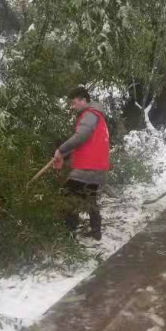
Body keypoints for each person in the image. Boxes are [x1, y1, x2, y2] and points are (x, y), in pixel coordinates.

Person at [53, 87, 110, 240]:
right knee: (90, 198)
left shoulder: (89, 114)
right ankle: (96, 232)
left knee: (68, 197)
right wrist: (63, 155)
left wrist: (60, 150)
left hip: (86, 167)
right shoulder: (98, 116)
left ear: (84, 100)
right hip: (98, 168)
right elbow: (85, 143)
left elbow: (81, 137)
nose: (73, 106)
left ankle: (68, 234)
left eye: (74, 103)